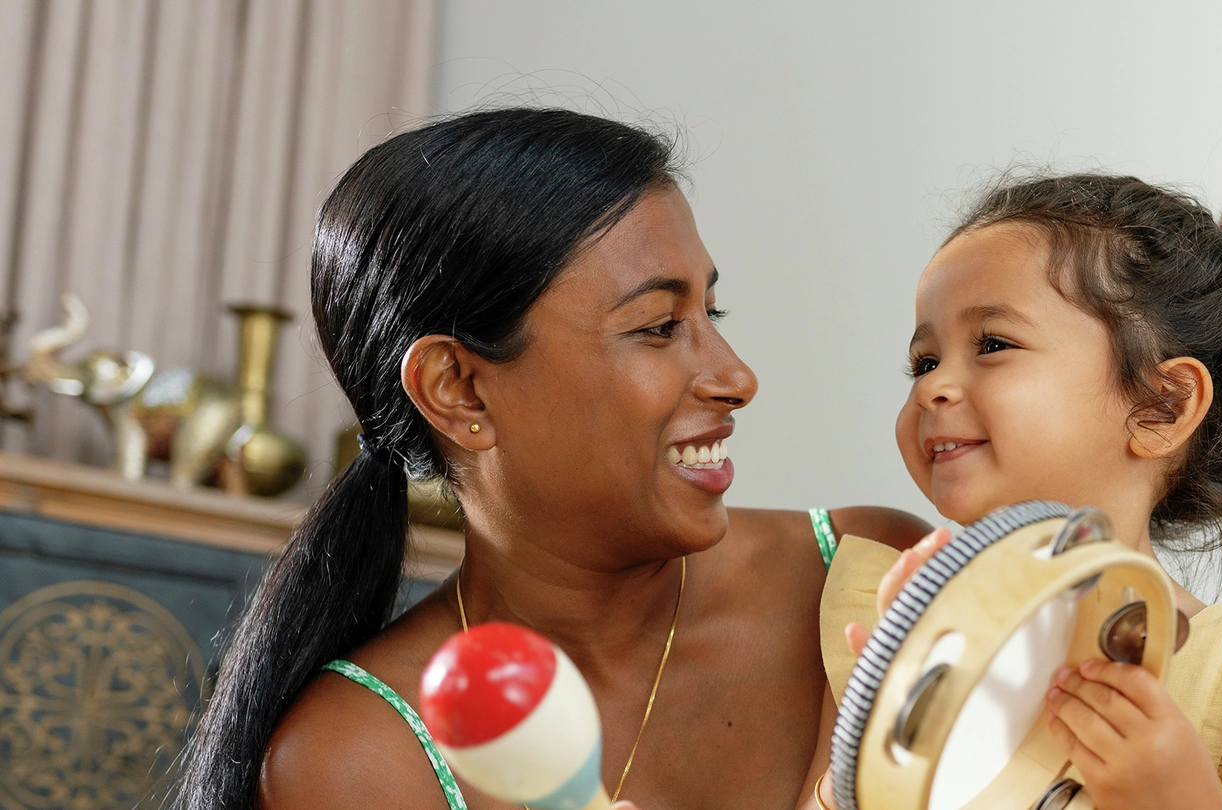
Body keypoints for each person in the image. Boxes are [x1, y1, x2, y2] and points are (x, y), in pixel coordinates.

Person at [167, 108, 930, 810]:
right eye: (660, 326)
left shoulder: (873, 581)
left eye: (711, 312)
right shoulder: (359, 758)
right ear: (459, 388)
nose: (736, 378)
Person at [814, 174, 1222, 810]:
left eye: (993, 344)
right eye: (924, 361)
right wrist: (877, 739)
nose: (932, 387)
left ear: (1162, 407)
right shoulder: (900, 628)